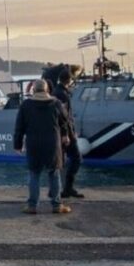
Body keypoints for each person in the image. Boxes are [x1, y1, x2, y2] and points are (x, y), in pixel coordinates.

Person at [14, 79, 72, 214]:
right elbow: (65, 121)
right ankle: (57, 205)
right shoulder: (56, 103)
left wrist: (18, 145)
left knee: (34, 174)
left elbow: (19, 127)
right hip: (52, 143)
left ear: (33, 90)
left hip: (33, 143)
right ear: (47, 90)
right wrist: (65, 135)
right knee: (54, 173)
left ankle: (32, 206)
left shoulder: (26, 105)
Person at [54, 69, 84, 198]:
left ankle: (64, 188)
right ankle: (67, 188)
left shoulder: (58, 92)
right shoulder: (62, 95)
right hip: (65, 133)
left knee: (62, 161)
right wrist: (68, 133)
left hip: (61, 132)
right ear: (69, 80)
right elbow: (64, 116)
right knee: (76, 158)